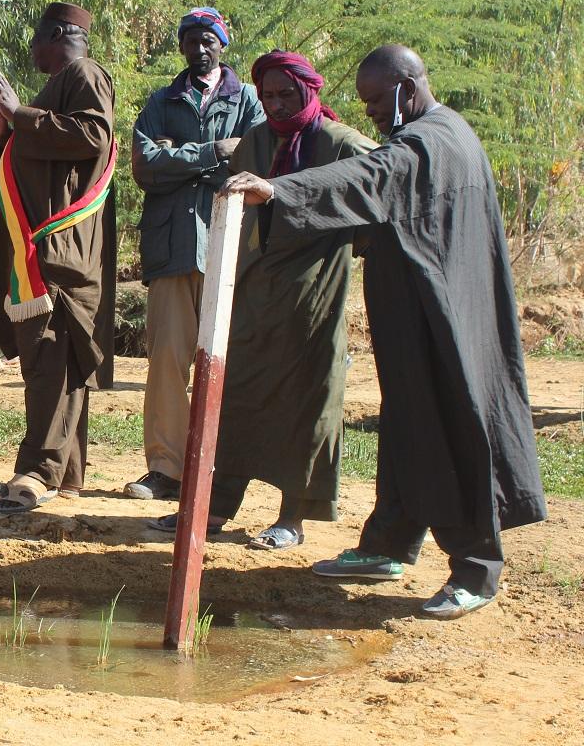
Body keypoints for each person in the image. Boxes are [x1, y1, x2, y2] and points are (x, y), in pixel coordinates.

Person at [224, 44, 548, 619]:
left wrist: (279, 190)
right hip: (420, 315)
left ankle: (476, 568)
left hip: (445, 322)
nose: (370, 110)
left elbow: (370, 175)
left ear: (408, 87)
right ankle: (388, 544)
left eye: (376, 99)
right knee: (407, 426)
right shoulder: (442, 134)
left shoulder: (428, 142)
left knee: (451, 427)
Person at [147, 51, 376, 549]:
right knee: (236, 397)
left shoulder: (341, 143)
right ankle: (215, 507)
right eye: (268, 95)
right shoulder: (254, 142)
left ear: (308, 91)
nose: (275, 104)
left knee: (306, 402)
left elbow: (378, 188)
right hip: (253, 289)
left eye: (286, 94)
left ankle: (292, 518)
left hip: (313, 295)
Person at [0, 2, 117, 513]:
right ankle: (65, 473)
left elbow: (92, 136)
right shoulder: (62, 84)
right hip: (44, 250)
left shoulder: (84, 73)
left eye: (36, 38)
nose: (31, 48)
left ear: (58, 34)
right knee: (56, 361)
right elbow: (47, 156)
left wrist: (20, 115)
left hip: (59, 250)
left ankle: (38, 471)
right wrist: (5, 132)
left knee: (53, 358)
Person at [128, 7, 265, 501]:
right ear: (182, 46)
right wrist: (209, 153)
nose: (200, 48)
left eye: (208, 39)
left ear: (222, 44)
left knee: (226, 360)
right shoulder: (162, 101)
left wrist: (177, 156)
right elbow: (145, 166)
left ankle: (218, 469)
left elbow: (255, 159)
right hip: (171, 249)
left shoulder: (248, 99)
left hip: (229, 249)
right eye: (191, 40)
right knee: (167, 359)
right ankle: (166, 470)